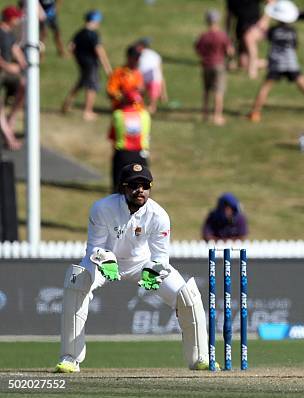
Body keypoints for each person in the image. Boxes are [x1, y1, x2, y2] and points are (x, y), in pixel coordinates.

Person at [55, 164, 214, 373]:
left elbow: (161, 257)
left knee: (187, 296)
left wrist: (153, 272)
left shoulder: (159, 216)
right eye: (134, 185)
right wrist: (106, 261)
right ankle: (70, 358)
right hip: (106, 260)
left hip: (142, 264)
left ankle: (199, 358)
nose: (140, 190)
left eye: (145, 185)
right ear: (123, 187)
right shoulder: (102, 208)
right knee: (77, 280)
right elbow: (94, 248)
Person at [248, 0, 304, 122]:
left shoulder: (273, 31)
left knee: (265, 88)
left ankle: (255, 113)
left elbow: (264, 37)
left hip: (275, 64)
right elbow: (295, 46)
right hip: (291, 64)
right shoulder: (292, 31)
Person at [61, 10, 112, 121]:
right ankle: (87, 111)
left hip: (82, 63)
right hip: (92, 64)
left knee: (80, 84)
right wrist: (107, 68)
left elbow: (71, 47)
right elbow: (99, 51)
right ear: (95, 20)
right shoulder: (93, 35)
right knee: (92, 86)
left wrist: (76, 56)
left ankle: (66, 105)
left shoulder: (80, 32)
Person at [195, 10, 234, 125]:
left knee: (206, 91)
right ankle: (217, 116)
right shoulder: (222, 35)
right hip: (219, 65)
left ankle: (205, 114)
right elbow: (230, 51)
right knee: (218, 91)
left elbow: (198, 49)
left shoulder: (204, 36)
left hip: (206, 65)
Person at [108, 90, 151, 192]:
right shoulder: (145, 115)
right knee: (142, 186)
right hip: (140, 154)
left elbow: (112, 136)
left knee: (118, 188)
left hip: (122, 154)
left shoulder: (118, 115)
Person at [0, 5, 26, 150]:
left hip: (7, 73)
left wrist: (24, 64)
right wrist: (8, 66)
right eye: (16, 17)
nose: (18, 20)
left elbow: (14, 48)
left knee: (25, 85)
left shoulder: (10, 34)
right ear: (10, 18)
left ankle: (12, 118)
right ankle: (9, 138)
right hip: (3, 70)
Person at [107, 45, 144, 111]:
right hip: (121, 108)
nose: (137, 60)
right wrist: (124, 97)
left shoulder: (138, 73)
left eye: (139, 58)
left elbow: (140, 92)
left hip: (137, 109)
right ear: (129, 57)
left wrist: (140, 91)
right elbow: (110, 92)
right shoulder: (119, 72)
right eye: (135, 58)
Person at [134, 38, 167, 114]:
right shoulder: (155, 55)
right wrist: (163, 93)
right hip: (153, 78)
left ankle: (145, 109)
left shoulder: (139, 54)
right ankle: (150, 108)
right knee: (150, 100)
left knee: (140, 98)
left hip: (145, 77)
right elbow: (160, 74)